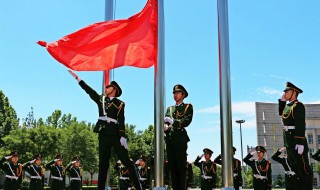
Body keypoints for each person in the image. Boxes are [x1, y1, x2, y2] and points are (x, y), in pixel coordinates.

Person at [68, 70, 142, 190]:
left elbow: (122, 119)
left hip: (115, 133)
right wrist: (78, 79)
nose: (106, 88)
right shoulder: (101, 100)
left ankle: (139, 187)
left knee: (127, 161)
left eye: (109, 87)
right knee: (103, 164)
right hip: (103, 133)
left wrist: (123, 136)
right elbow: (90, 92)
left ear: (115, 90)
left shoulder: (120, 104)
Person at [278, 82, 313, 189]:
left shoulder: (298, 106)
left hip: (296, 142)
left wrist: (300, 142)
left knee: (304, 169)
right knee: (295, 168)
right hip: (289, 143)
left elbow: (300, 124)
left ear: (294, 92)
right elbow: (282, 113)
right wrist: (282, 102)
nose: (285, 93)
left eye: (287, 91)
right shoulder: (288, 106)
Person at [164, 84, 193, 190]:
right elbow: (166, 123)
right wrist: (165, 128)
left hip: (180, 139)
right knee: (172, 167)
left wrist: (174, 122)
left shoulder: (188, 107)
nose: (175, 95)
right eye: (174, 93)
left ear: (183, 95)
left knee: (181, 167)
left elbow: (186, 121)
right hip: (170, 139)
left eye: (177, 93)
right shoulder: (169, 109)